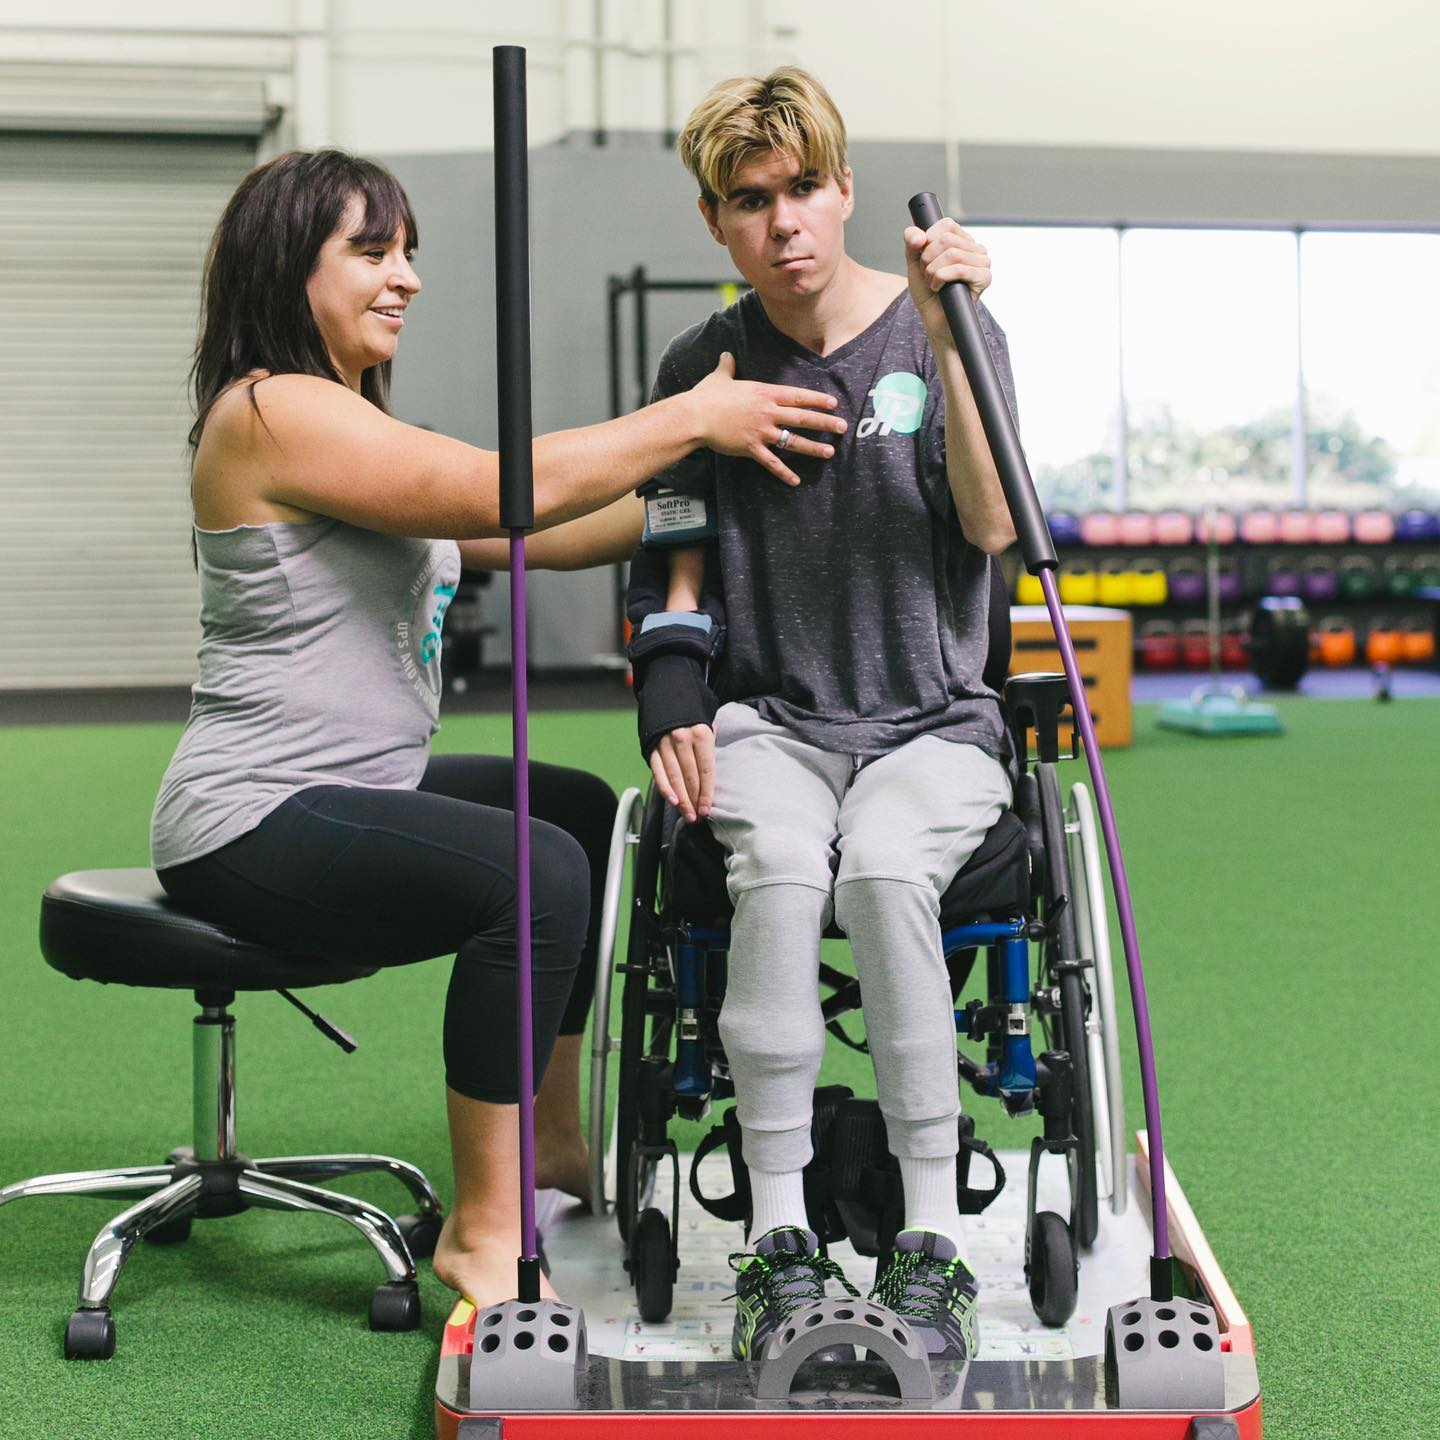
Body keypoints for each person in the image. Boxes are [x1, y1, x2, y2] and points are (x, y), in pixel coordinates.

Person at [149, 147, 846, 1310]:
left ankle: (551, 1144)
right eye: (372, 252)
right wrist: (690, 416)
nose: (406, 277)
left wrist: (728, 496)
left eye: (408, 250)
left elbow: (540, 533)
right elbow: (494, 490)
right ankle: (481, 1230)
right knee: (534, 874)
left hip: (354, 784)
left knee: (568, 808)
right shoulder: (272, 413)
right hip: (250, 817)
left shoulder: (348, 425)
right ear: (288, 268)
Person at [628, 68, 1020, 1364]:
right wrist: (673, 702)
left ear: (845, 187)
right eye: (751, 200)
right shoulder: (704, 367)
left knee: (891, 873)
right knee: (785, 869)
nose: (784, 221)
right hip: (775, 723)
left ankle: (931, 1243)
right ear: (714, 221)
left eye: (804, 188)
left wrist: (950, 335)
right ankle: (778, 1240)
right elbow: (673, 561)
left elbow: (988, 522)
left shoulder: (946, 327)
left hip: (933, 722)